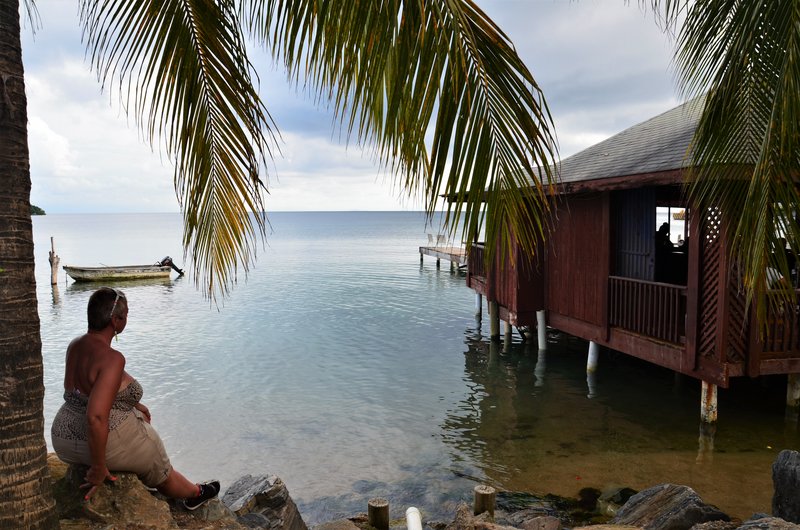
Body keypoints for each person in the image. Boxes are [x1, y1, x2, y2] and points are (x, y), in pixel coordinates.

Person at [51, 287, 219, 510]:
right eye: (126, 314)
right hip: (97, 445)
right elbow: (96, 417)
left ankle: (146, 474)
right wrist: (99, 467)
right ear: (115, 320)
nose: (127, 318)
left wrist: (133, 404)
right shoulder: (112, 359)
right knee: (157, 459)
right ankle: (194, 494)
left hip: (62, 439)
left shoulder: (76, 345)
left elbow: (80, 393)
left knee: (139, 423)